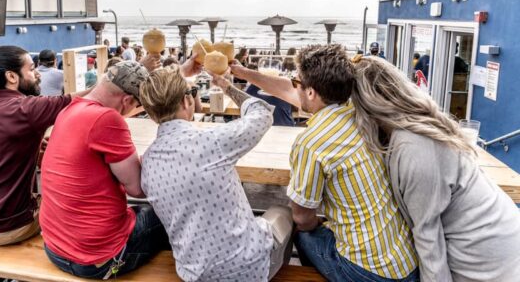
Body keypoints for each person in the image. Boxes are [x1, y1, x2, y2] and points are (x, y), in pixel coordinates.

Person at [230, 44, 418, 281]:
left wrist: (317, 224)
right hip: (406, 264)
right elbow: (287, 90)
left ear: (310, 93)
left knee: (299, 230)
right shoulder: (357, 112)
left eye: (297, 83)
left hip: (368, 273)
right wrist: (245, 73)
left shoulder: (311, 142)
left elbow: (302, 217)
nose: (294, 88)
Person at [350, 55, 520, 282]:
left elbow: (428, 237)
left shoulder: (414, 147)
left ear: (364, 106)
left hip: (486, 258)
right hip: (498, 237)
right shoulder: (416, 123)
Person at [139, 66, 294, 281]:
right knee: (284, 211)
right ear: (186, 101)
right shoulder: (212, 141)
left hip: (192, 272)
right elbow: (261, 113)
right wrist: (228, 87)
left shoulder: (148, 160)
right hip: (247, 268)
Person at [40, 61, 170, 279]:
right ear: (127, 100)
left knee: (140, 213)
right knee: (173, 214)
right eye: (136, 104)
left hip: (55, 247)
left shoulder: (69, 110)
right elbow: (137, 189)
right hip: (97, 259)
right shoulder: (108, 119)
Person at [0, 45, 89, 246]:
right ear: (12, 76)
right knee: (66, 205)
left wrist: (35, 144)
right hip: (8, 227)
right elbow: (87, 98)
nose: (37, 75)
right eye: (31, 69)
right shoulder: (26, 108)